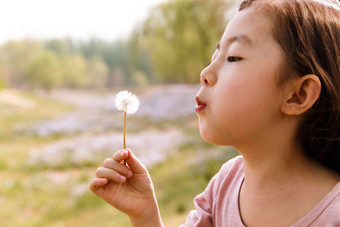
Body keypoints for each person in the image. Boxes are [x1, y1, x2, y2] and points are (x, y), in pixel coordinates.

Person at [89, 0, 340, 226]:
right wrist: (145, 215)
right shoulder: (224, 186)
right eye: (214, 56)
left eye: (233, 58)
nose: (205, 73)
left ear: (299, 95)